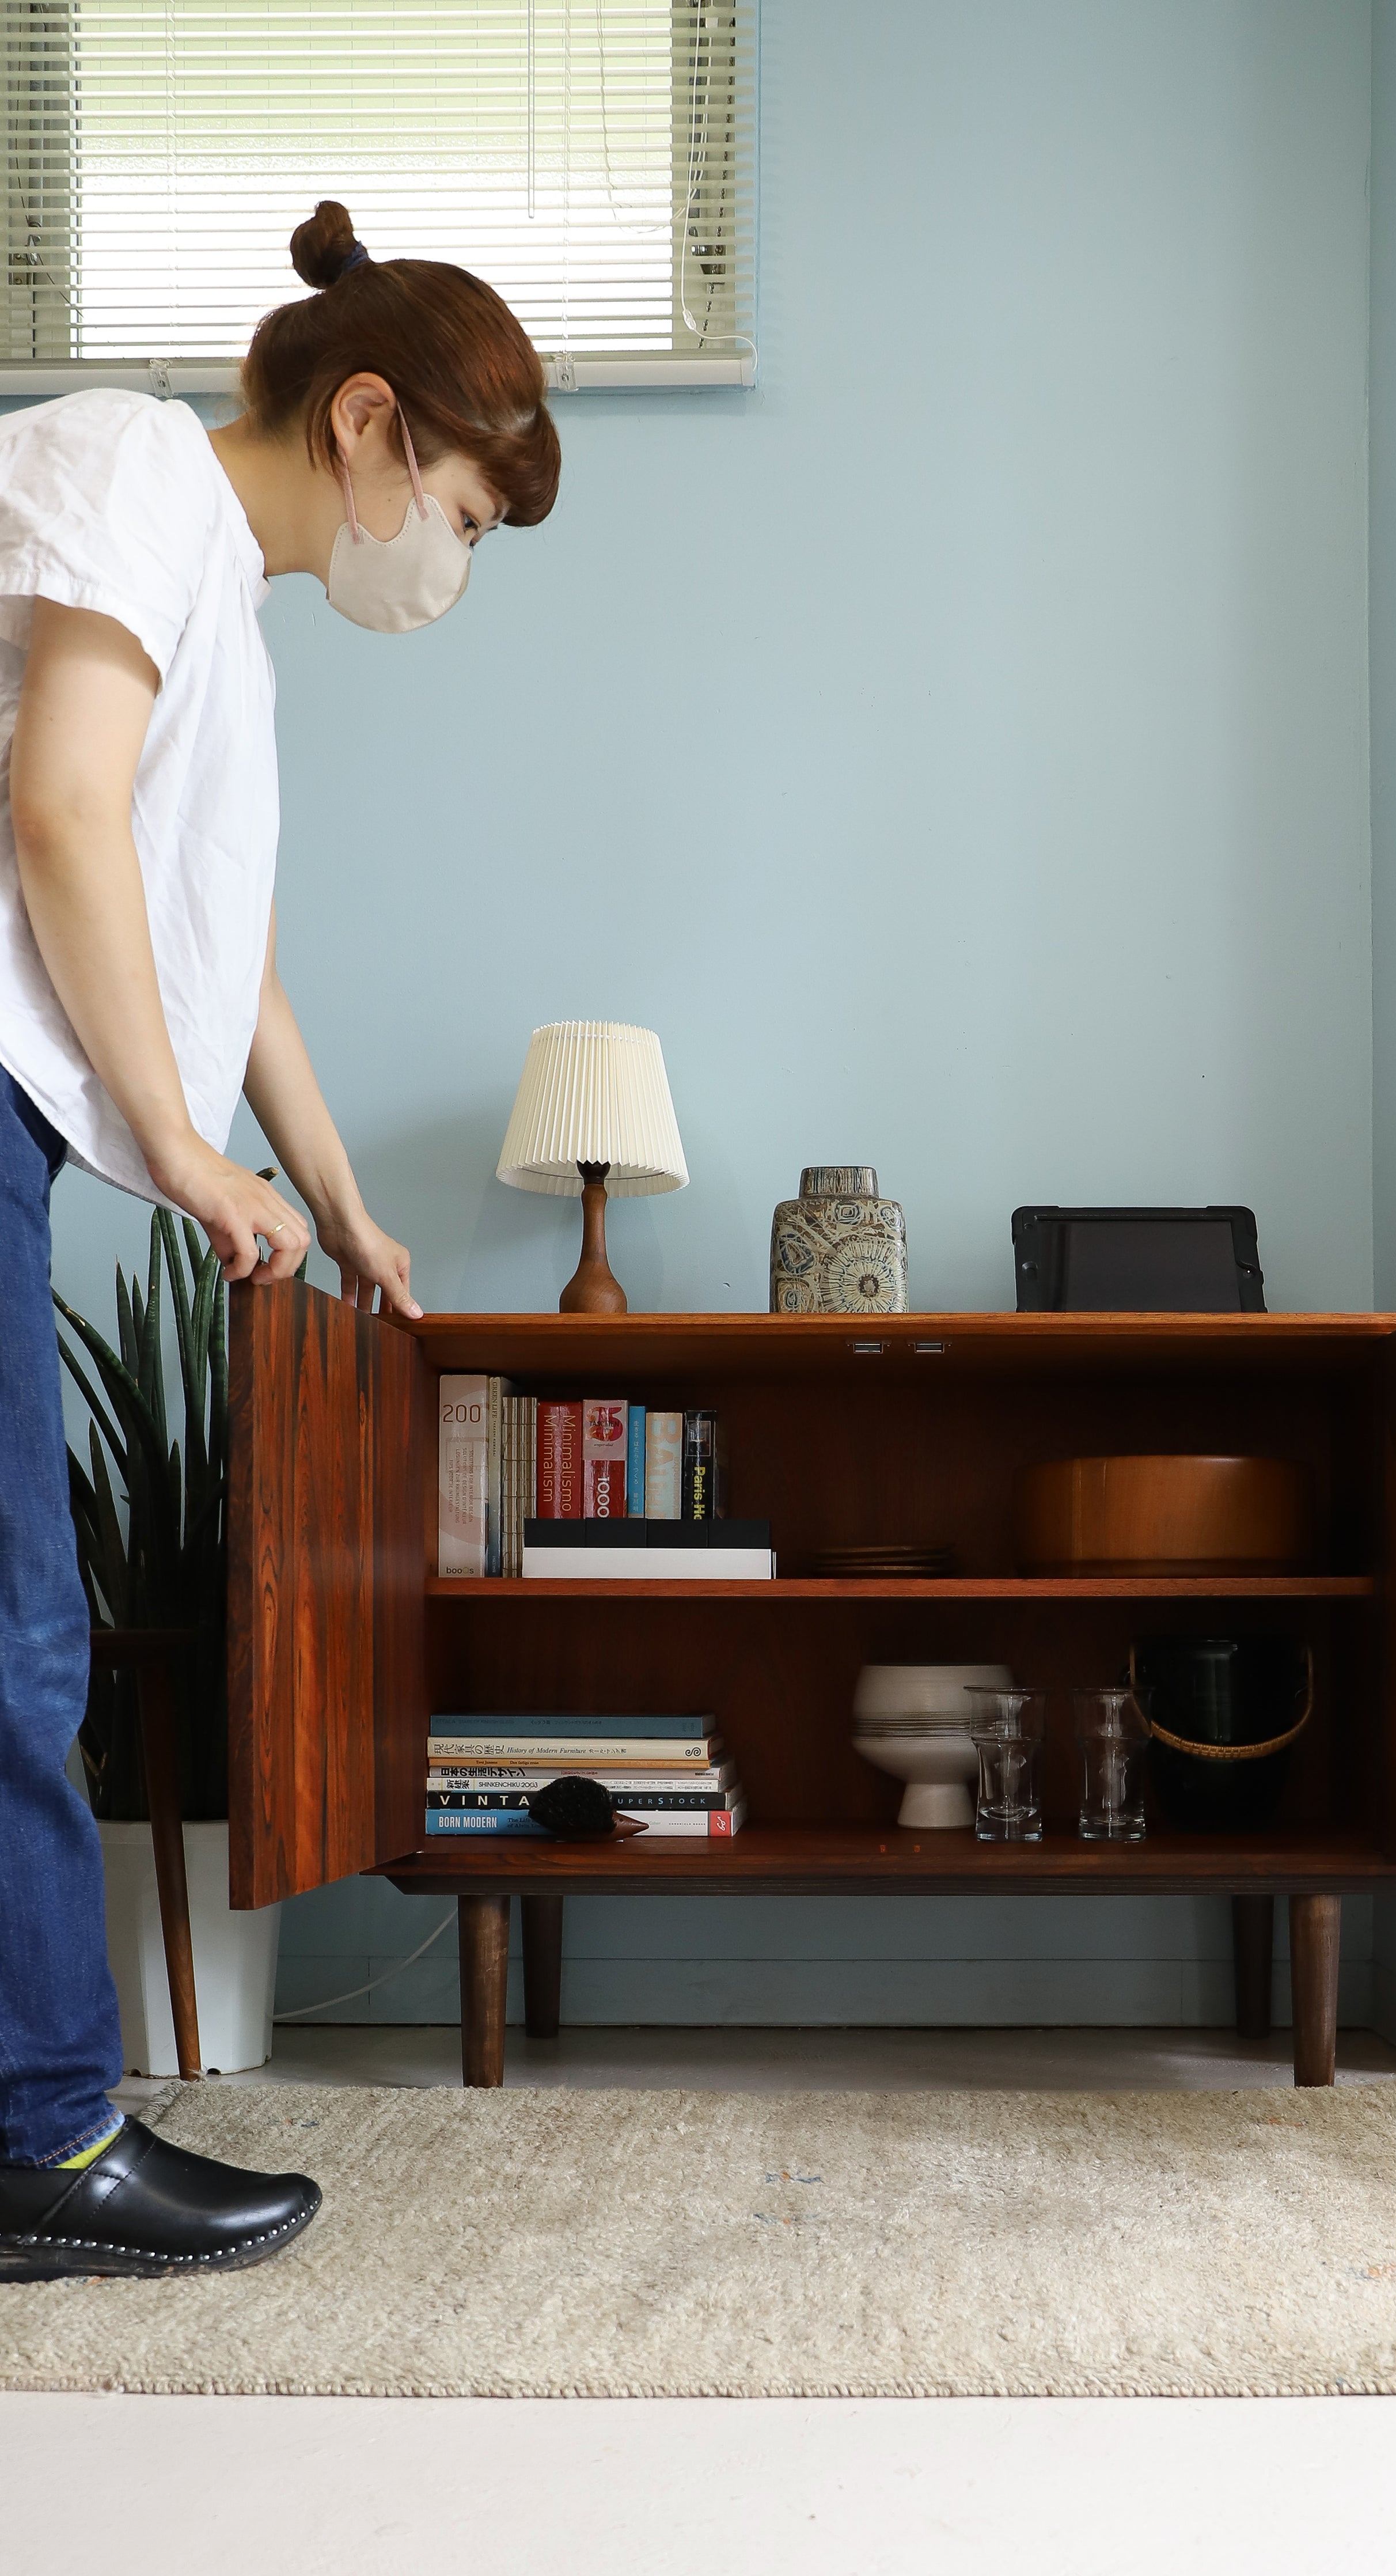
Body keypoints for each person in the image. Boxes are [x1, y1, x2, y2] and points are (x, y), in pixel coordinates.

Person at [0, 203, 560, 2279]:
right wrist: (175, 1146)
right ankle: (44, 2142)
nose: (458, 570)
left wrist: (329, 1194)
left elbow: (223, 962)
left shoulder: (213, 615)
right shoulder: (133, 468)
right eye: (473, 520)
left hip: (14, 1131)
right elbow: (56, 816)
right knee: (22, 1635)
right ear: (366, 426)